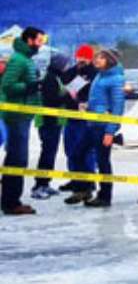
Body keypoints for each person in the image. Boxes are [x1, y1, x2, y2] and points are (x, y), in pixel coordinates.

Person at [64, 47, 125, 208]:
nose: (97, 60)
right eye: (96, 57)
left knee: (103, 161)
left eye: (101, 58)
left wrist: (111, 132)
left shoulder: (116, 79)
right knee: (77, 154)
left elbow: (118, 107)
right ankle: (84, 188)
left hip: (103, 126)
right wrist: (87, 105)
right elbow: (100, 100)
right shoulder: (99, 75)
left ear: (110, 61)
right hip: (92, 123)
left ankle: (105, 196)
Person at [1, 27, 45, 215]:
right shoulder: (19, 60)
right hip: (16, 116)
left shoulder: (25, 59)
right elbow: (8, 86)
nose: (40, 44)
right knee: (17, 159)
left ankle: (9, 199)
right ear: (29, 40)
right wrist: (31, 86)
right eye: (38, 41)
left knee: (16, 158)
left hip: (24, 115)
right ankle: (12, 202)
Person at [30, 53, 73, 200]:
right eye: (65, 64)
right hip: (49, 121)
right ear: (59, 65)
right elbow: (51, 100)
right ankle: (39, 185)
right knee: (47, 154)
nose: (67, 67)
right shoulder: (50, 79)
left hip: (55, 121)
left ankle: (45, 183)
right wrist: (68, 96)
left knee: (50, 153)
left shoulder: (55, 77)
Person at [59, 45, 97, 196]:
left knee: (86, 150)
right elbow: (64, 90)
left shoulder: (95, 73)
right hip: (70, 114)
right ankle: (75, 178)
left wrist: (82, 99)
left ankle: (89, 180)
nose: (81, 60)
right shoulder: (70, 72)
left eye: (85, 58)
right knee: (70, 149)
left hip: (85, 117)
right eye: (79, 57)